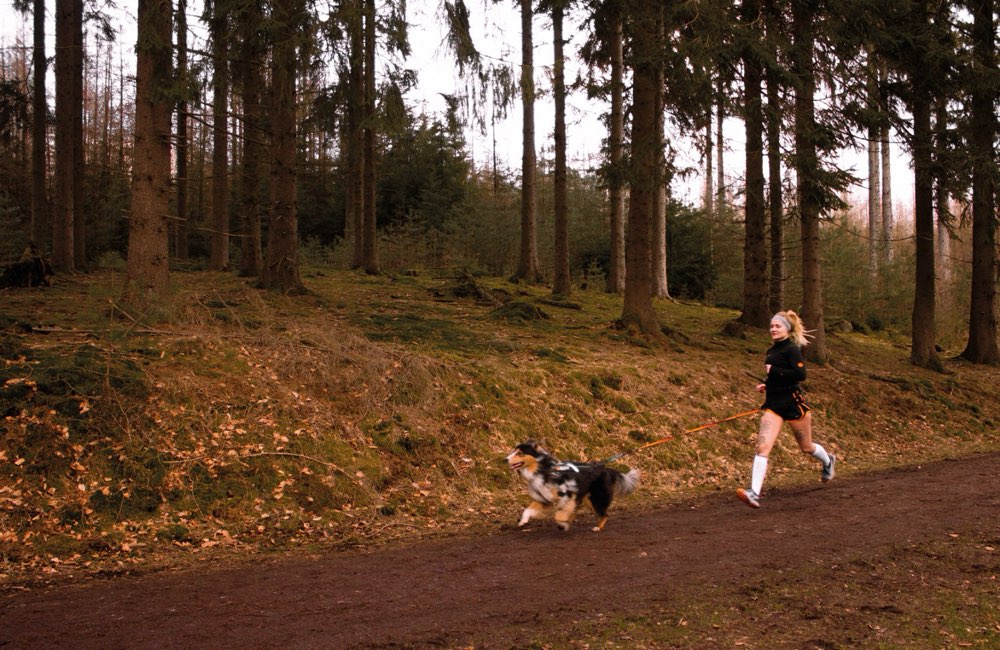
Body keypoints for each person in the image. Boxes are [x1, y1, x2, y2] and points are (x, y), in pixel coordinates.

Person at [737, 310, 835, 509]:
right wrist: (767, 384)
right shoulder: (771, 351)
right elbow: (777, 377)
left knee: (806, 447)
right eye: (772, 326)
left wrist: (775, 372)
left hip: (792, 405)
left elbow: (800, 375)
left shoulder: (792, 349)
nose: (773, 329)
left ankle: (828, 461)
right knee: (762, 447)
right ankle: (754, 492)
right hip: (773, 406)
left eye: (777, 326)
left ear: (787, 329)